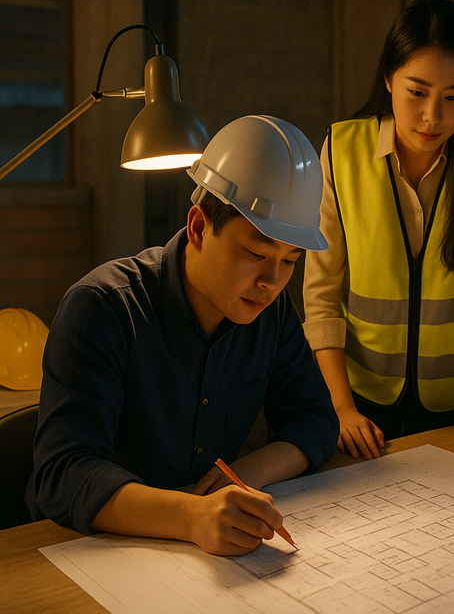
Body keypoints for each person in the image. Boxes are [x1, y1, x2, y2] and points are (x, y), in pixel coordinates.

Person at [26, 115, 339, 556]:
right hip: (90, 555)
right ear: (197, 227)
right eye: (256, 253)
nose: (272, 281)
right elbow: (62, 475)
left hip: (201, 557)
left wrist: (250, 471)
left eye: (291, 260)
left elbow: (317, 420)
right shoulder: (103, 309)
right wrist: (192, 516)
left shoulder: (269, 311)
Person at [302, 0, 454, 460]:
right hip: (358, 402)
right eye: (417, 92)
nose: (433, 116)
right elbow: (321, 293)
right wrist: (341, 409)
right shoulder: (341, 151)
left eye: (453, 97)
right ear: (388, 78)